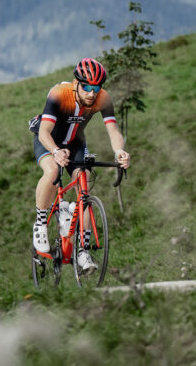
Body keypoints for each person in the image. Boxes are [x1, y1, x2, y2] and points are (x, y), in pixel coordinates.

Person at [30, 57, 130, 270]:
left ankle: (83, 252)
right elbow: (44, 131)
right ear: (76, 83)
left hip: (76, 142)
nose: (92, 93)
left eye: (96, 87)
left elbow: (113, 130)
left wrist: (119, 150)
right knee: (52, 171)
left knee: (83, 185)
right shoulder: (59, 94)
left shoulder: (102, 98)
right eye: (86, 86)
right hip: (49, 139)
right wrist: (56, 151)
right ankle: (40, 223)